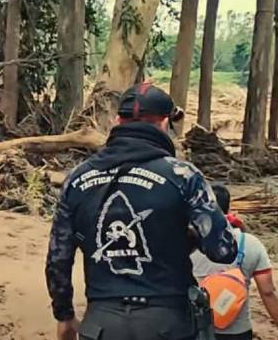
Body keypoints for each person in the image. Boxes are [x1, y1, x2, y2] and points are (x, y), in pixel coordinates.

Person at [45, 83, 237, 340]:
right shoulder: (182, 175)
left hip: (101, 323)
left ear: (117, 121)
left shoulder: (77, 179)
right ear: (165, 123)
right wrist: (188, 236)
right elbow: (223, 250)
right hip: (168, 323)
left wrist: (64, 316)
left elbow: (57, 259)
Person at [191, 183, 278, 340]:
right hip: (238, 331)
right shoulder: (250, 243)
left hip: (196, 329)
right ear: (228, 208)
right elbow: (267, 292)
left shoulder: (188, 243)